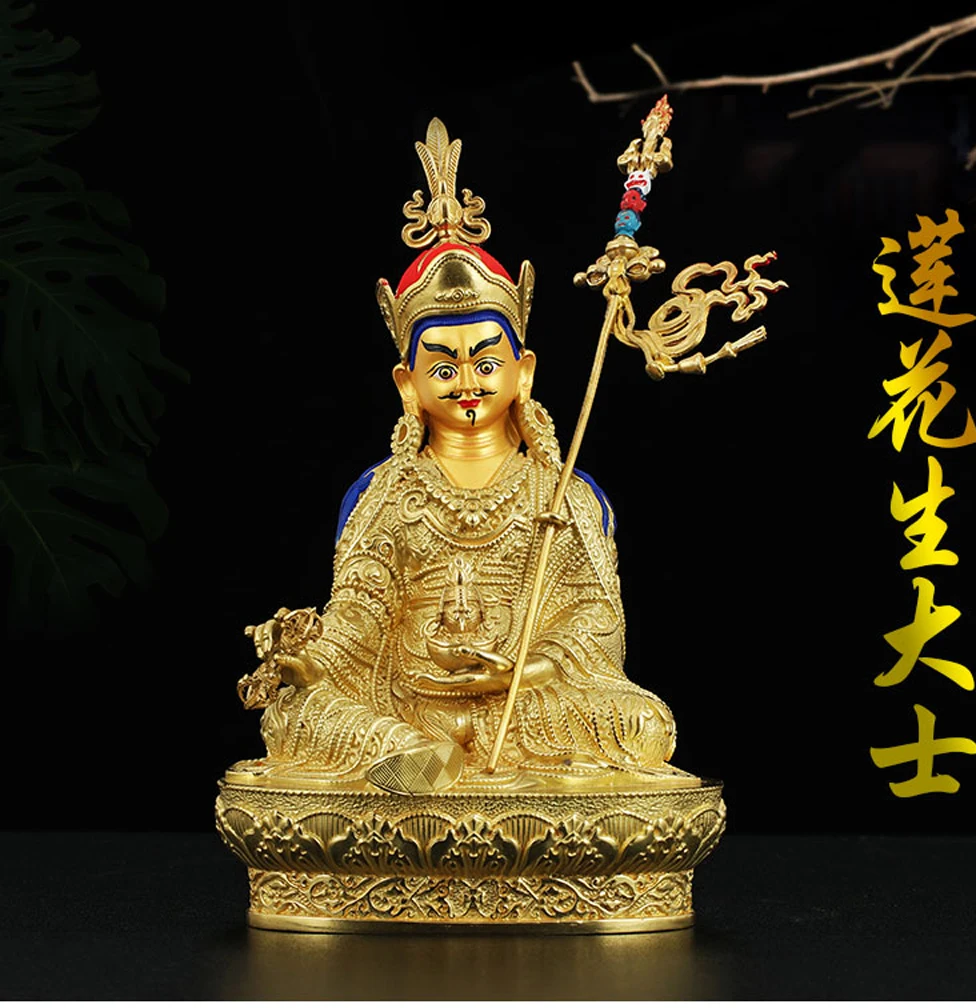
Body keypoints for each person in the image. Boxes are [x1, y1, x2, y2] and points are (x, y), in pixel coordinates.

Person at [234, 121, 684, 795]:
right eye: (443, 368)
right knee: (295, 716)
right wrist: (308, 662)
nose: (468, 382)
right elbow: (357, 619)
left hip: (524, 707)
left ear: (523, 372)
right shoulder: (383, 492)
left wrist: (520, 673)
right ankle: (419, 759)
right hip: (404, 703)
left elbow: (596, 625)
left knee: (644, 723)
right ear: (407, 384)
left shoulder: (563, 492)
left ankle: (441, 767)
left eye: (487, 362)